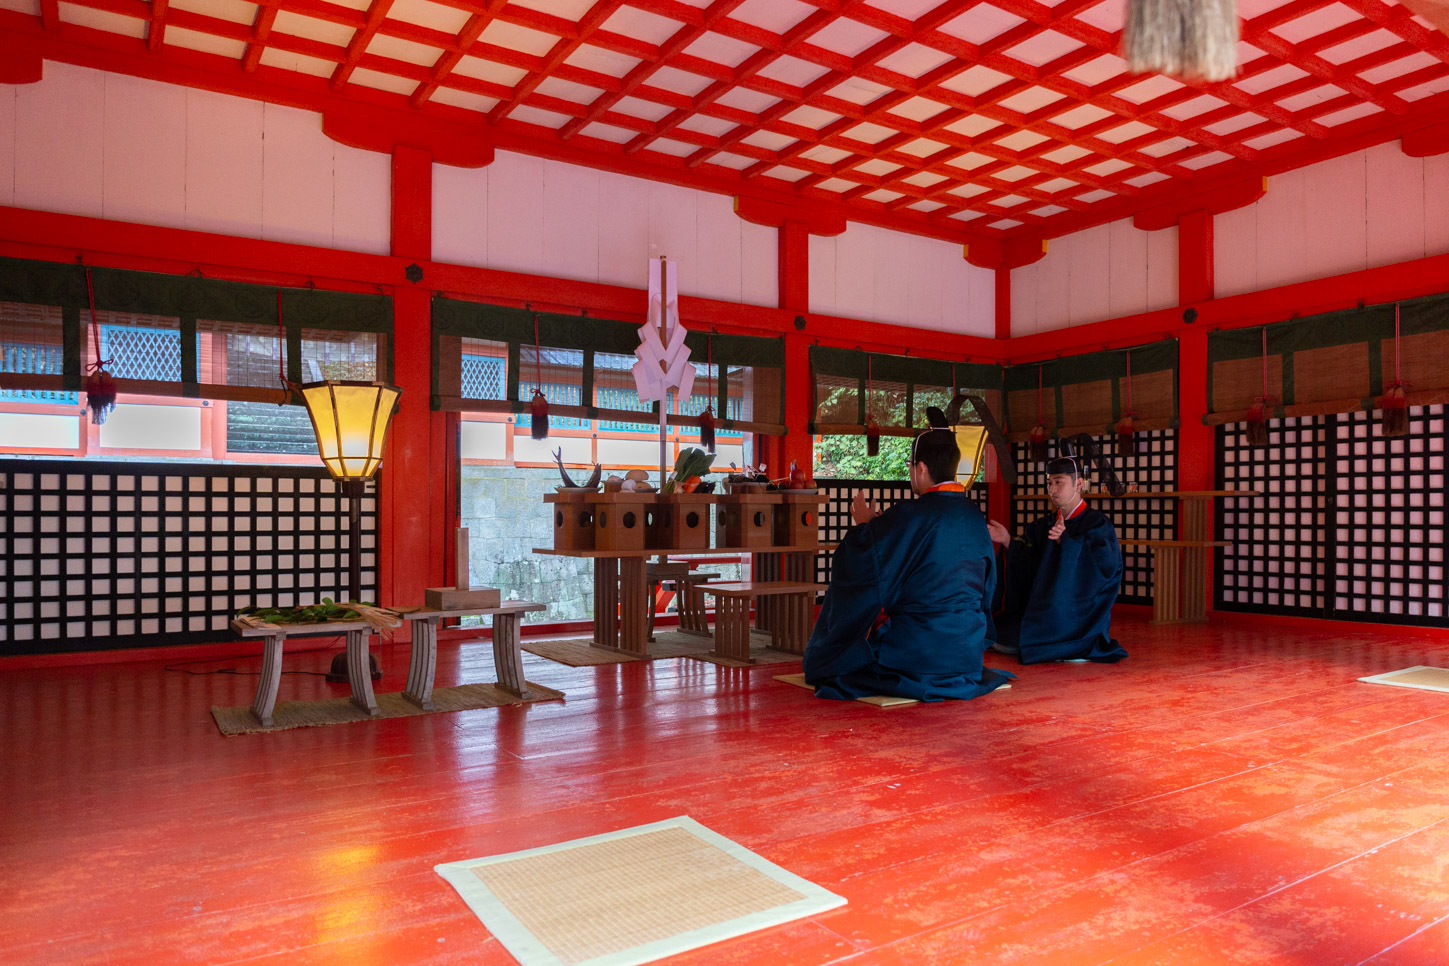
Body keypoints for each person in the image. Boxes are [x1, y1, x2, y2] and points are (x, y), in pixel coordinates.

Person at [803, 429, 1015, 701]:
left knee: (835, 667)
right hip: (967, 654)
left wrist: (865, 527)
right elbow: (988, 588)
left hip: (920, 654)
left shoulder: (909, 514)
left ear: (921, 468)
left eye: (911, 466)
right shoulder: (975, 517)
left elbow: (864, 562)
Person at [986, 455, 1128, 664]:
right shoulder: (1043, 525)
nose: (1052, 489)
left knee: (1022, 641)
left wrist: (1067, 542)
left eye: (1059, 482)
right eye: (1049, 483)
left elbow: (1105, 568)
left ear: (1078, 484)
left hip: (1077, 614)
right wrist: (1008, 541)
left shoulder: (1098, 524)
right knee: (996, 634)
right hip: (1044, 607)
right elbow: (1028, 564)